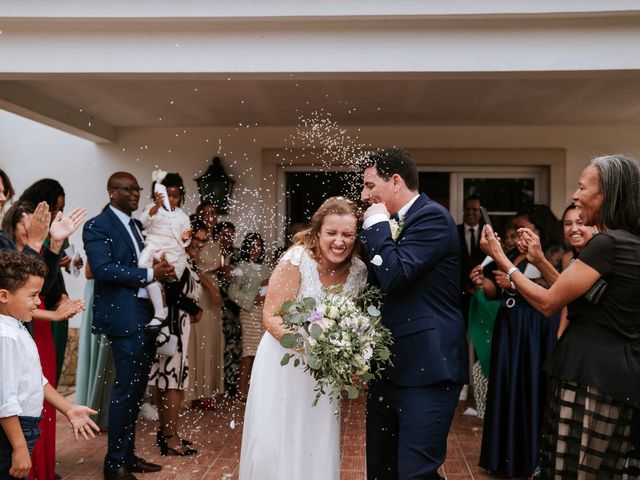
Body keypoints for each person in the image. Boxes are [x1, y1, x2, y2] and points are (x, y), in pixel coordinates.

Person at [479, 154, 640, 479]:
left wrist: (501, 259)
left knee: (577, 470)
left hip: (592, 377)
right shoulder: (628, 243)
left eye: (583, 187)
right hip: (617, 376)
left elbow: (550, 303)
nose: (576, 196)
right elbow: (578, 295)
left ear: (606, 194)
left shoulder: (606, 244)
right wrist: (538, 259)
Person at [239, 196, 368, 480]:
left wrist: (352, 355)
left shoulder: (358, 272)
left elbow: (352, 322)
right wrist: (311, 348)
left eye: (347, 234)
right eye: (331, 233)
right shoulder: (296, 259)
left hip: (323, 377)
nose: (339, 241)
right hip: (282, 366)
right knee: (273, 443)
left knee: (315, 440)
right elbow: (271, 317)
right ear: (317, 232)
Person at [359, 148, 468, 480]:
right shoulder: (387, 224)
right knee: (381, 470)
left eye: (369, 185)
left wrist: (377, 224)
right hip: (388, 366)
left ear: (395, 181)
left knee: (415, 473)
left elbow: (395, 273)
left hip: (428, 368)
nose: (364, 196)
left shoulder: (432, 217)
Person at [83, 172, 175, 480]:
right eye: (127, 189)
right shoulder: (98, 225)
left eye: (137, 189)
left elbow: (144, 263)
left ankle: (128, 455)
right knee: (125, 389)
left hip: (143, 314)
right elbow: (103, 268)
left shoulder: (135, 226)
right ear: (111, 192)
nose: (135, 194)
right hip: (123, 317)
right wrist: (150, 274)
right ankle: (114, 465)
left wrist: (163, 271)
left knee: (137, 390)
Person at [473, 205, 562, 478]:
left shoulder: (552, 254)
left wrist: (513, 283)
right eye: (515, 229)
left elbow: (557, 289)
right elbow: (494, 293)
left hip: (534, 326)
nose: (517, 235)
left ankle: (527, 458)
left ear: (540, 229)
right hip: (510, 325)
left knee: (528, 385)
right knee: (507, 384)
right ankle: (503, 457)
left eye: (524, 228)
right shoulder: (513, 255)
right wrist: (483, 282)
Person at [2, 199, 86, 480]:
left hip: (28, 425)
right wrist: (19, 447)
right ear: (3, 296)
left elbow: (35, 378)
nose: (39, 303)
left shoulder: (17, 327)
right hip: (11, 434)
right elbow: (4, 400)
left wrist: (68, 408)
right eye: (32, 297)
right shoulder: (5, 337)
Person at [148, 226, 206, 457]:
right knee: (173, 382)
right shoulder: (177, 260)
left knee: (164, 379)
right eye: (195, 239)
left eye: (202, 241)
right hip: (173, 326)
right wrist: (195, 309)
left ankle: (166, 432)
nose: (198, 244)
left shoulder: (182, 260)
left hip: (171, 325)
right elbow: (172, 294)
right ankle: (170, 438)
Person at [138, 171, 191, 344]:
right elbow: (143, 223)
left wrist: (185, 237)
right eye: (168, 195)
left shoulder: (183, 217)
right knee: (148, 277)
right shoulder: (152, 208)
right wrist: (154, 208)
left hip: (173, 254)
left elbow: (185, 238)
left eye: (176, 196)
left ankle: (165, 325)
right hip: (154, 249)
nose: (172, 199)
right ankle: (161, 316)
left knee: (168, 291)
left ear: (181, 196)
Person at [186, 203, 224, 408]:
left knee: (210, 341)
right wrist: (211, 289)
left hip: (213, 289)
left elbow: (219, 265)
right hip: (200, 290)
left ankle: (207, 390)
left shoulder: (215, 240)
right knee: (198, 339)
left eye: (214, 213)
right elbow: (194, 268)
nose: (211, 216)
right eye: (207, 213)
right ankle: (194, 392)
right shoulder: (195, 239)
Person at [228, 232, 271, 400]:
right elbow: (232, 292)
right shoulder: (240, 268)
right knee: (249, 351)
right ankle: (242, 389)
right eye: (252, 246)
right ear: (247, 247)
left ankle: (256, 389)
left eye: (259, 246)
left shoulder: (267, 269)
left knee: (262, 351)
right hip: (249, 312)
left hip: (263, 312)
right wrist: (254, 298)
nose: (256, 250)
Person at [556, 204, 595, 338]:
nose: (573, 229)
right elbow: (566, 298)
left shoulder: (599, 256)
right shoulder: (567, 258)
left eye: (580, 223)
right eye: (568, 224)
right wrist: (560, 333)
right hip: (574, 326)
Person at [215, 221, 242, 394]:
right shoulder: (212, 252)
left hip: (234, 306)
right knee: (218, 344)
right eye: (224, 234)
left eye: (230, 235)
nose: (227, 238)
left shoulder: (237, 254)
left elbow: (243, 276)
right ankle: (217, 384)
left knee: (234, 345)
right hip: (216, 303)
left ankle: (232, 382)